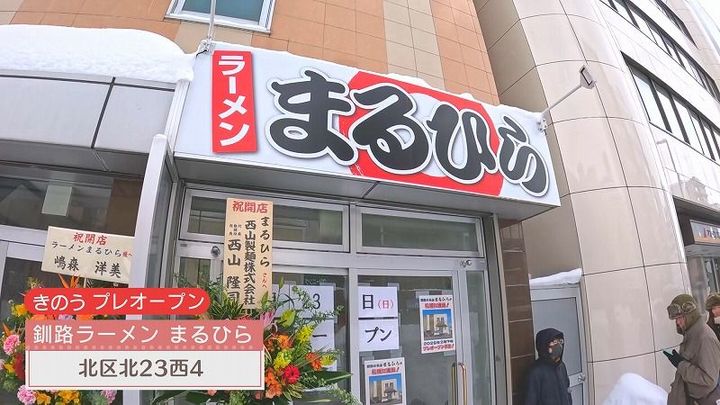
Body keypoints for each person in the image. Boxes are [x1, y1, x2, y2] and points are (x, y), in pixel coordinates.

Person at [665, 294, 720, 405]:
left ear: (690, 315)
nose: (677, 322)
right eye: (675, 319)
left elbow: (709, 379)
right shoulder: (692, 334)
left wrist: (680, 364)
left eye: (680, 318)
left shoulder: (705, 338)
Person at [524, 327, 571, 405]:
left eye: (560, 341)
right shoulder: (535, 372)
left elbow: (567, 393)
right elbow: (530, 400)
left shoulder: (561, 366)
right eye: (554, 342)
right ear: (544, 345)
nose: (558, 345)